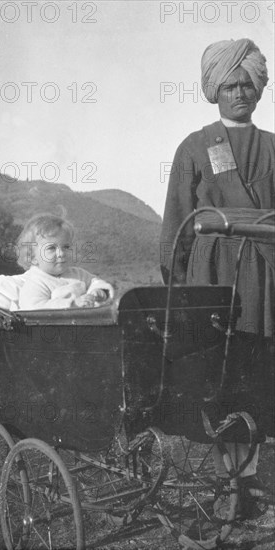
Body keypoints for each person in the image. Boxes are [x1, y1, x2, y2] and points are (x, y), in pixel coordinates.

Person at [160, 38, 274, 517]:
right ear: (214, 89)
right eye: (230, 84)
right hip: (213, 274)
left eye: (248, 83)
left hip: (267, 277)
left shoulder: (272, 147)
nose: (240, 92)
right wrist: (178, 283)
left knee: (260, 374)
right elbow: (177, 223)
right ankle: (233, 484)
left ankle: (246, 481)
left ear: (260, 88)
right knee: (223, 377)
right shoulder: (194, 146)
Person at [17, 213, 114, 310]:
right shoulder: (36, 282)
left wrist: (99, 291)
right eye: (51, 248)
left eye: (66, 247)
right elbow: (33, 308)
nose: (61, 253)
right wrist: (72, 304)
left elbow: (95, 282)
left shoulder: (79, 274)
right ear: (33, 256)